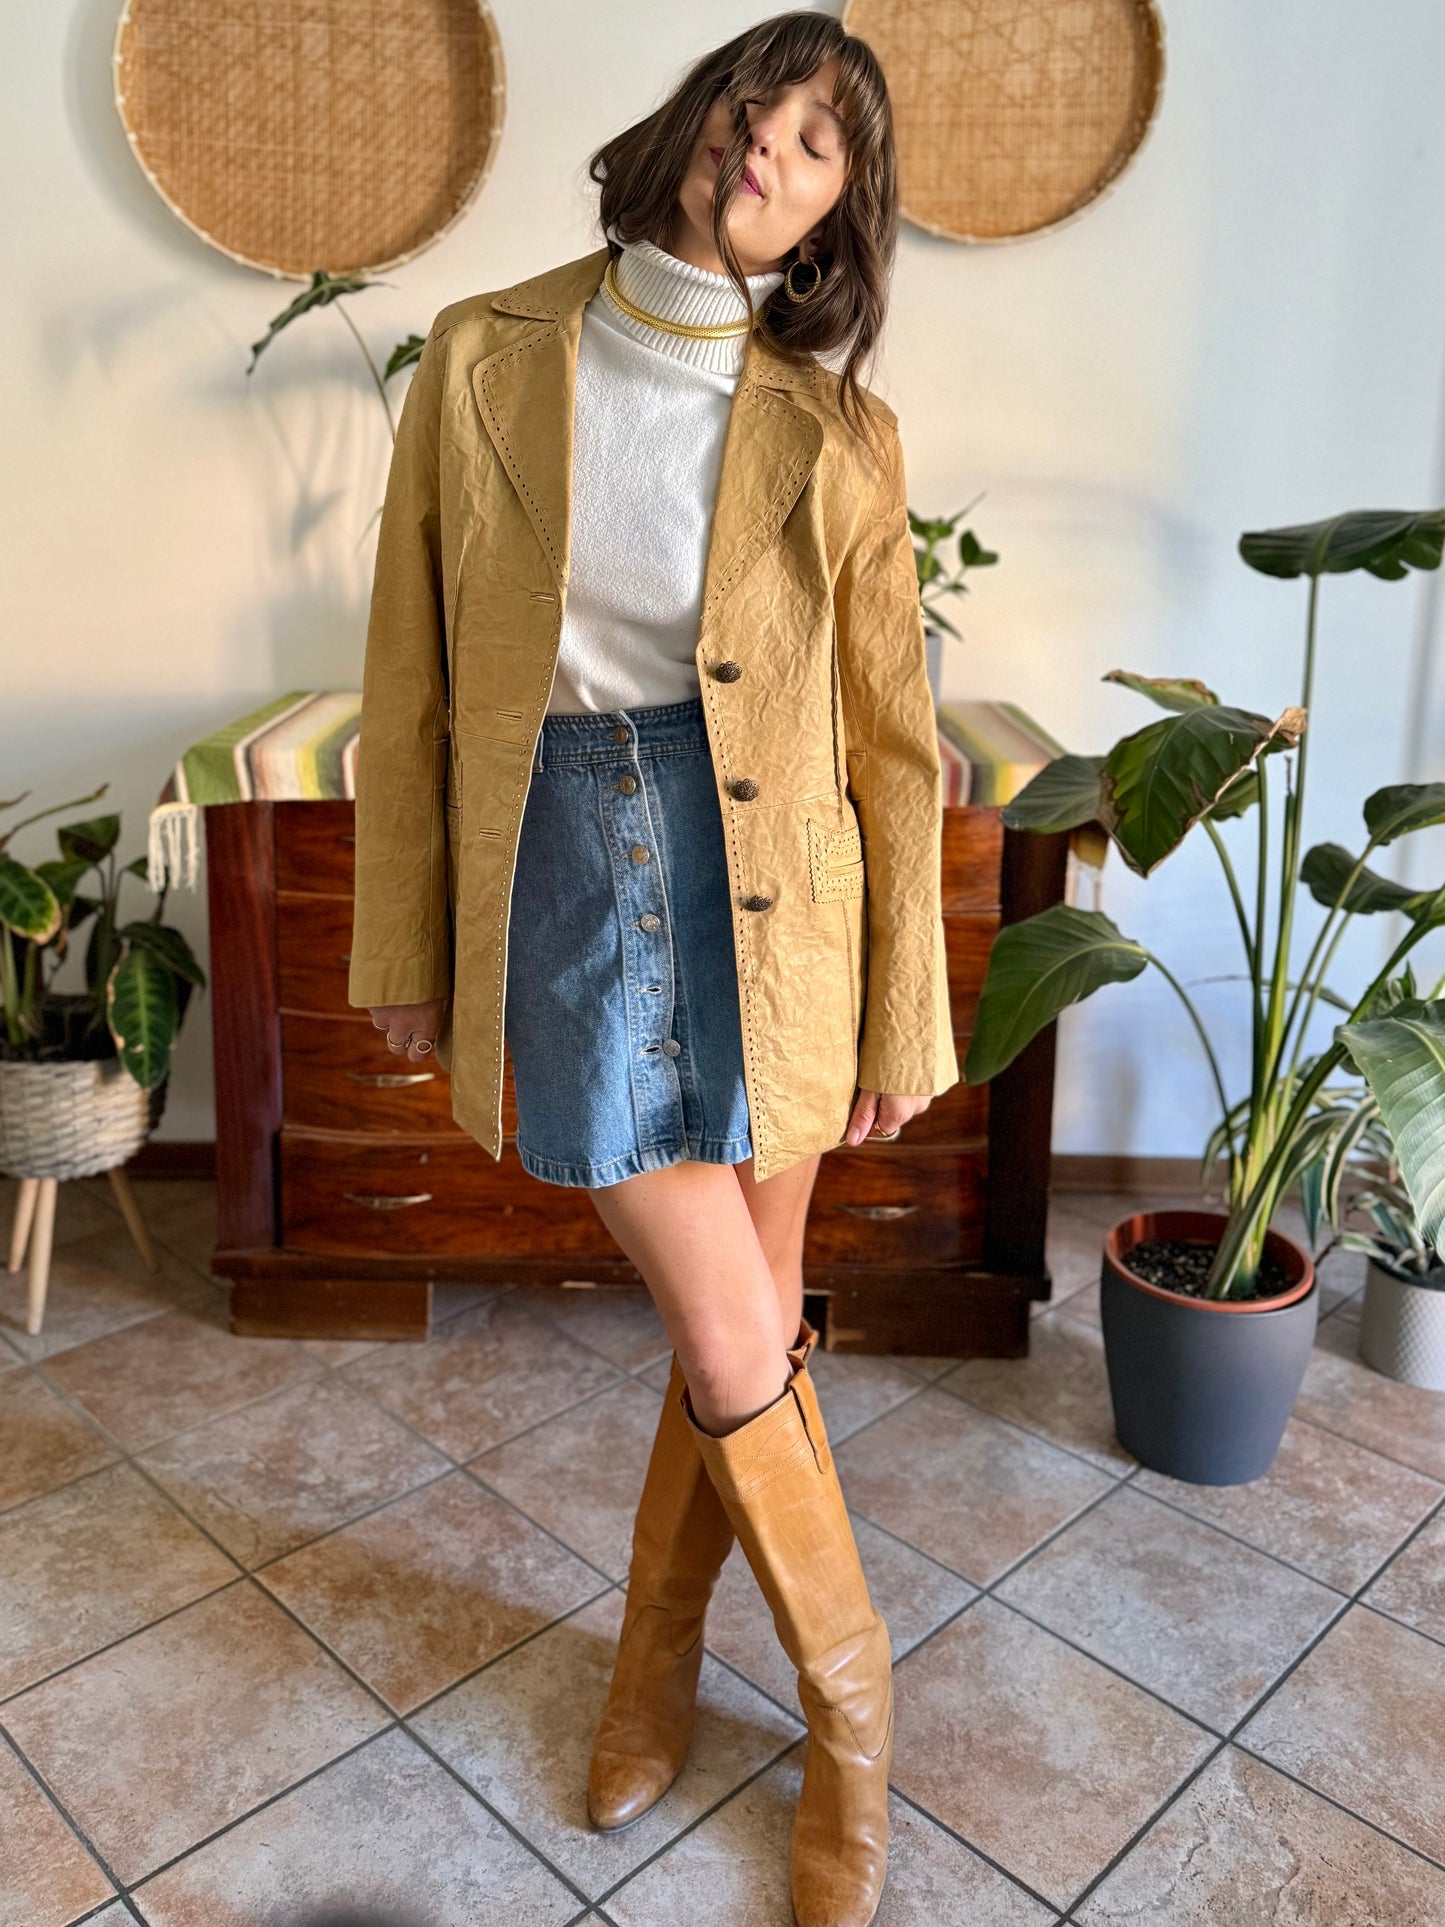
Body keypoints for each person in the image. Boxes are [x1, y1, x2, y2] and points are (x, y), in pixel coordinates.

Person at [347, 13, 958, 1924]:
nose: (768, 152)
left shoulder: (840, 432)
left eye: (818, 147)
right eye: (752, 111)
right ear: (692, 120)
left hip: (788, 881)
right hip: (574, 865)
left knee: (746, 1324)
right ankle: (858, 1731)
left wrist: (900, 1002)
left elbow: (887, 736)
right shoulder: (483, 355)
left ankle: (652, 1687)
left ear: (835, 213)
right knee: (728, 1333)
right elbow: (412, 674)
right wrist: (400, 939)